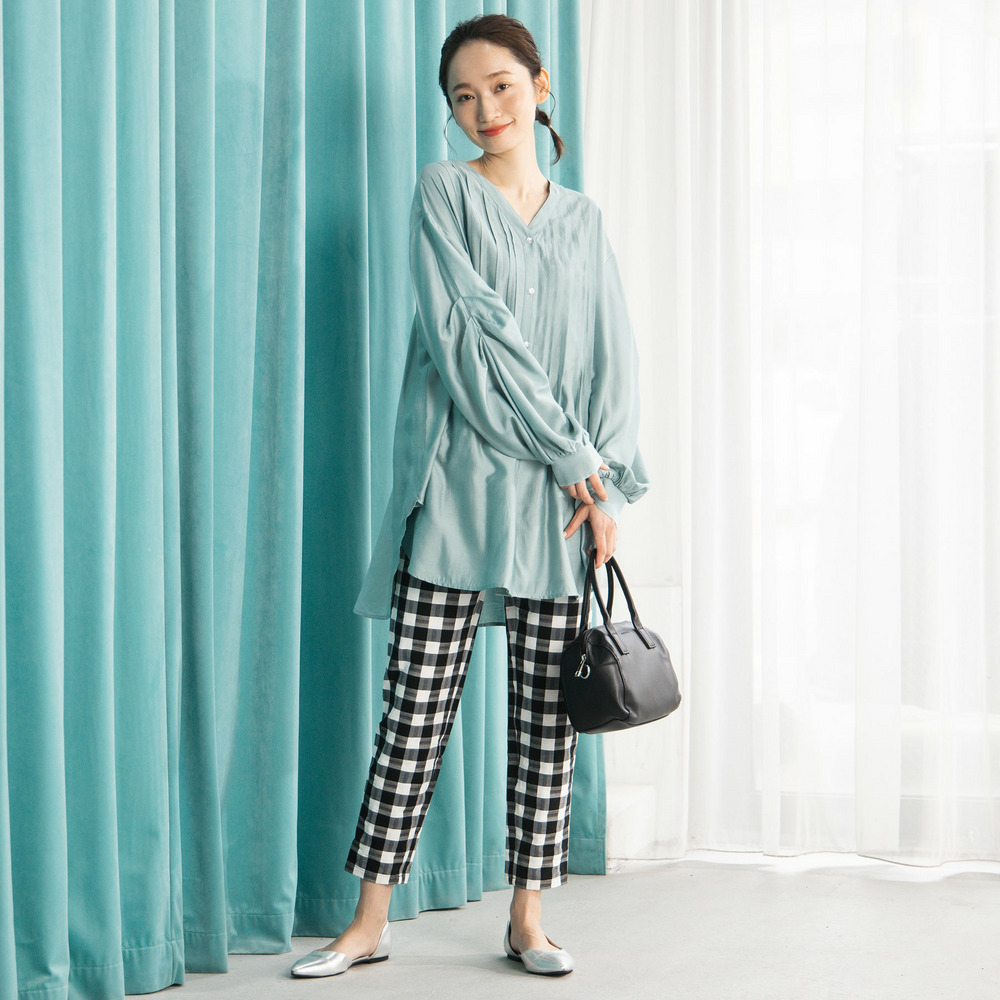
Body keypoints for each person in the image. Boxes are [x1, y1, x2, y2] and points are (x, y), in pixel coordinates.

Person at [292, 12, 647, 980]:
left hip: (556, 505)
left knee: (544, 721)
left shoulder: (584, 220)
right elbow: (471, 340)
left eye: (500, 86)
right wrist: (571, 453)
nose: (484, 108)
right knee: (413, 712)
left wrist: (603, 486)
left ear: (539, 88)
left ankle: (528, 920)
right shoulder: (442, 192)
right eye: (462, 95)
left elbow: (611, 359)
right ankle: (367, 922)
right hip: (455, 485)